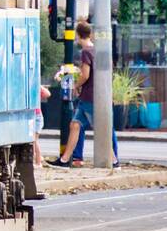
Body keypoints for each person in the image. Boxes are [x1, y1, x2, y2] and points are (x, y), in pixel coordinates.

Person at [49, 20, 118, 168]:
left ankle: (114, 161)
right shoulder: (98, 49)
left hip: (90, 97)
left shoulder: (86, 52)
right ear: (90, 34)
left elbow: (85, 75)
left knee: (101, 131)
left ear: (78, 35)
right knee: (75, 125)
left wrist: (75, 85)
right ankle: (64, 160)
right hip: (95, 96)